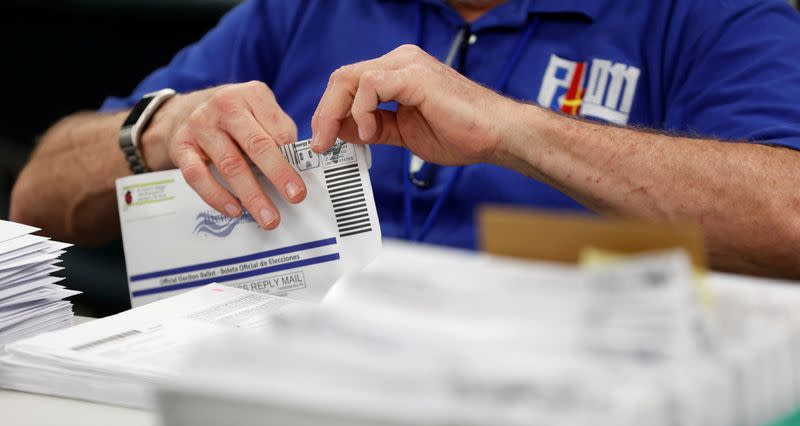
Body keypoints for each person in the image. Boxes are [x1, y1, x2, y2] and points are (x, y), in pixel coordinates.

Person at [10, 0, 800, 277]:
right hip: (282, 393)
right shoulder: (303, 9)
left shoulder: (711, 12)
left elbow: (786, 219)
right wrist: (158, 127)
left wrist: (513, 129)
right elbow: (36, 198)